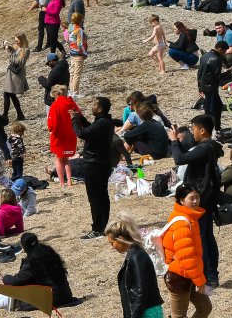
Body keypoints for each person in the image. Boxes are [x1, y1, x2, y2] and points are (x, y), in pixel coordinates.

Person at [168, 115, 223, 288]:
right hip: (206, 196)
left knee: (202, 238)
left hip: (200, 198)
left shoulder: (205, 148)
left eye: (193, 129)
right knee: (207, 236)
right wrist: (177, 139)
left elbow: (180, 159)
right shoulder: (209, 147)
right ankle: (211, 273)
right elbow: (187, 153)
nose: (193, 133)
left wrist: (173, 141)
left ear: (202, 130)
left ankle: (209, 274)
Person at [0, 232, 75, 312]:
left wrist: (5, 278)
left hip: (50, 299)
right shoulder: (49, 252)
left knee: (14, 294)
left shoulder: (32, 261)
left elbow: (16, 281)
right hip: (64, 295)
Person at [160, 185, 212, 318]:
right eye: (191, 198)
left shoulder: (189, 218)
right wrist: (200, 281)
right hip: (179, 277)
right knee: (179, 315)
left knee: (205, 307)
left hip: (189, 274)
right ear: (182, 201)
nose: (195, 201)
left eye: (197, 197)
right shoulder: (182, 224)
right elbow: (186, 256)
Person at [72, 97, 116, 239]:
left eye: (94, 105)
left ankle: (98, 228)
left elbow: (82, 133)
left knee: (96, 197)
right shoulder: (105, 121)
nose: (92, 106)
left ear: (100, 109)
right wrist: (81, 119)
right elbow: (91, 129)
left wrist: (73, 120)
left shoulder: (103, 123)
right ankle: (102, 225)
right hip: (101, 163)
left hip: (95, 164)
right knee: (102, 195)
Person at [104, 217, 164, 318]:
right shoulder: (135, 254)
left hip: (146, 312)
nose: (112, 247)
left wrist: (135, 315)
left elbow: (142, 290)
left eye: (112, 243)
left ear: (121, 239)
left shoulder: (136, 257)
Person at [47, 85, 79, 187]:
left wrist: (51, 130)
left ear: (57, 94)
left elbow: (52, 123)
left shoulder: (55, 105)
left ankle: (62, 183)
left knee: (59, 159)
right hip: (71, 134)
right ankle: (69, 181)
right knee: (66, 159)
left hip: (59, 135)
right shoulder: (71, 103)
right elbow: (79, 115)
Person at [197, 41, 226, 132]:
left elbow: (199, 73)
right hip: (210, 88)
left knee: (217, 106)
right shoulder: (215, 59)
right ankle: (208, 130)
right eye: (224, 51)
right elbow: (218, 76)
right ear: (220, 49)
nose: (224, 54)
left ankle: (216, 127)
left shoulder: (205, 56)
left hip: (204, 86)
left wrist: (200, 88)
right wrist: (230, 71)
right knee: (210, 110)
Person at [1, 34, 30, 120]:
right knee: (11, 94)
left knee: (7, 93)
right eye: (15, 40)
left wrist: (10, 52)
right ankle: (19, 114)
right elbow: (14, 54)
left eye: (17, 40)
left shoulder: (26, 50)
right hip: (11, 73)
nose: (16, 42)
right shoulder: (17, 48)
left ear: (22, 40)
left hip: (16, 75)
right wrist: (6, 46)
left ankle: (5, 116)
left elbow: (18, 62)